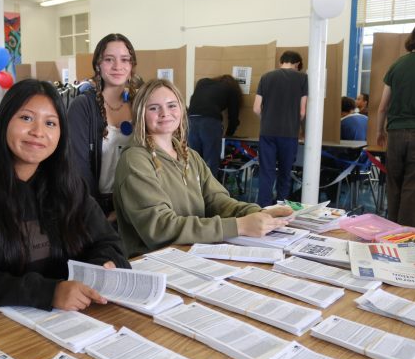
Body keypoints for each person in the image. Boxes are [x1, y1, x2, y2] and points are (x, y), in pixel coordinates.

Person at [0, 79, 130, 318]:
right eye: (26, 118)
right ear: (4, 122)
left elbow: (110, 243)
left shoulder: (68, 186)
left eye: (50, 123)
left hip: (68, 322)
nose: (38, 132)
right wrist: (49, 292)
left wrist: (103, 266)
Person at [113, 79, 292, 258]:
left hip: (193, 254)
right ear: (140, 113)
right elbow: (161, 228)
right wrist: (240, 226)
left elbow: (217, 201)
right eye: (153, 108)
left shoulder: (189, 155)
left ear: (182, 109)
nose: (165, 113)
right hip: (156, 263)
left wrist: (259, 213)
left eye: (171, 105)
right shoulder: (135, 160)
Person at [68, 33, 138, 220]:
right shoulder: (83, 107)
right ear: (98, 64)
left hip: (138, 204)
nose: (117, 66)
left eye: (125, 60)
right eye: (109, 59)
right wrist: (97, 215)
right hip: (96, 207)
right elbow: (78, 167)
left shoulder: (141, 104)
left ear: (132, 66)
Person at [376, 18, 415, 228]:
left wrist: (380, 131)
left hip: (395, 135)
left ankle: (390, 237)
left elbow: (382, 106)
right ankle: (407, 245)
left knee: (394, 188)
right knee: (413, 192)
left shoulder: (397, 64)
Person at [253, 51, 308, 207]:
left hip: (267, 133)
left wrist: (268, 121)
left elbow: (256, 108)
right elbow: (302, 112)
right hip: (289, 133)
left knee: (266, 173)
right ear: (298, 64)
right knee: (285, 173)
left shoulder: (266, 77)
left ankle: (264, 209)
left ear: (281, 62)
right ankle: (282, 208)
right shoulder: (303, 78)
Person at [187, 75, 243, 177]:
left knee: (193, 160)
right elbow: (233, 116)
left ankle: (193, 190)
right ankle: (210, 191)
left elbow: (193, 100)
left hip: (190, 120)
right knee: (211, 161)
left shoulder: (202, 82)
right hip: (210, 123)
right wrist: (228, 134)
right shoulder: (231, 89)